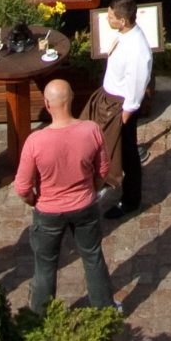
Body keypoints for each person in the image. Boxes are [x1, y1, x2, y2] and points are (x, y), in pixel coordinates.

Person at [14, 79, 116, 314]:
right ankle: (104, 310)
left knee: (45, 265)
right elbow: (103, 171)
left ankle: (41, 317)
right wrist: (90, 188)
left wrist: (35, 201)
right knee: (92, 257)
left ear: (47, 104)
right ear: (71, 99)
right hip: (84, 206)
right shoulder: (91, 130)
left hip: (48, 211)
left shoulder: (35, 141)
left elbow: (22, 187)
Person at [98, 0, 153, 216]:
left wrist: (126, 114)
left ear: (122, 21)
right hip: (110, 101)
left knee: (127, 152)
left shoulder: (138, 50)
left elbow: (137, 83)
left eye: (111, 16)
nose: (107, 19)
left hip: (121, 108)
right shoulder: (124, 35)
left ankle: (130, 199)